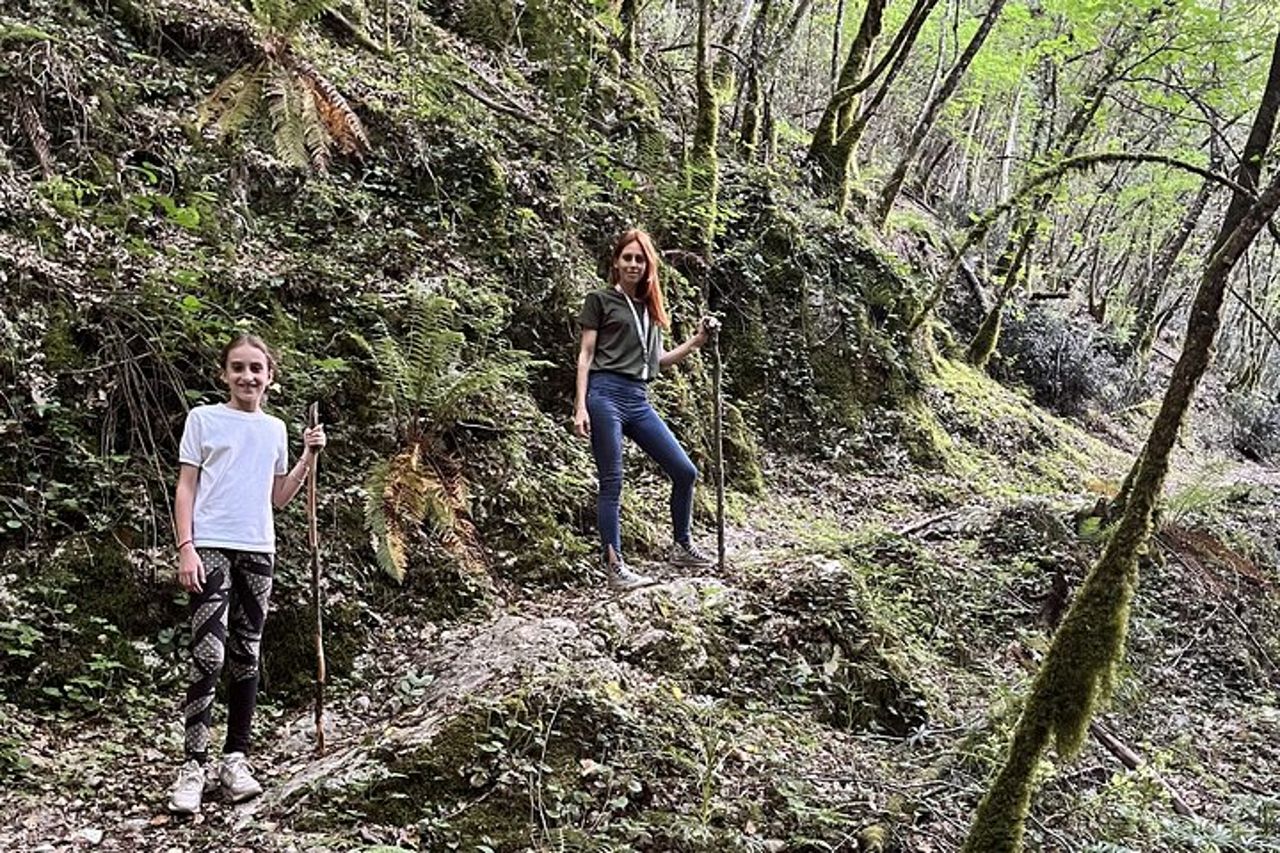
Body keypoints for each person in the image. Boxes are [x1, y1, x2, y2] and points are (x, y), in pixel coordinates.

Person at [167, 334, 326, 815]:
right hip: (211, 544)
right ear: (224, 374)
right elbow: (186, 486)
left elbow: (278, 497)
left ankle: (235, 759)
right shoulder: (204, 419)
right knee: (209, 654)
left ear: (269, 376)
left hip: (258, 546)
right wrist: (186, 547)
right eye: (238, 367)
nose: (247, 376)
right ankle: (193, 765)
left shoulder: (275, 428)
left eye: (256, 368)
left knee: (246, 653)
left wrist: (306, 456)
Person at [574, 228, 720, 592]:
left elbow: (657, 361)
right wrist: (580, 406)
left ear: (648, 265)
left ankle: (682, 546)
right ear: (616, 262)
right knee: (612, 482)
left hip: (638, 399)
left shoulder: (649, 309)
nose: (634, 264)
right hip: (604, 394)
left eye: (640, 259)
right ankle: (614, 566)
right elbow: (586, 356)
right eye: (628, 258)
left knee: (685, 471)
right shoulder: (600, 300)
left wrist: (697, 341)